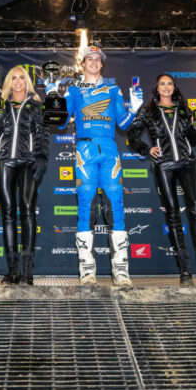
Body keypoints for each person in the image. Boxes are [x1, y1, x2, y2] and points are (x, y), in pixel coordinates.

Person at [58, 46, 143, 285]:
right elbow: (61, 122)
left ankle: (121, 269)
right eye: (90, 58)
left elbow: (124, 125)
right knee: (86, 204)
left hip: (109, 150)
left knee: (115, 204)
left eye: (98, 59)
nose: (94, 62)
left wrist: (134, 109)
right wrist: (54, 100)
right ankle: (87, 269)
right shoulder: (73, 90)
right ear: (82, 63)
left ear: (102, 64)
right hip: (84, 150)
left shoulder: (114, 90)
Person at [125, 73, 196, 285]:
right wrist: (147, 149)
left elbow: (193, 141)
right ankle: (185, 271)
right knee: (173, 214)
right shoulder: (148, 111)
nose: (166, 87)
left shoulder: (185, 110)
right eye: (162, 84)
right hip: (163, 165)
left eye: (170, 84)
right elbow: (132, 135)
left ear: (175, 88)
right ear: (156, 88)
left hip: (186, 162)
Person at [0, 66, 50, 285]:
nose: (17, 81)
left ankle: (27, 272)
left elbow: (43, 135)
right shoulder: (0, 105)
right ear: (8, 82)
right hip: (4, 160)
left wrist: (42, 157)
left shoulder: (36, 106)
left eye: (21, 78)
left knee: (27, 211)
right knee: (7, 213)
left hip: (28, 161)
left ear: (27, 82)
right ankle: (12, 271)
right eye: (13, 77)